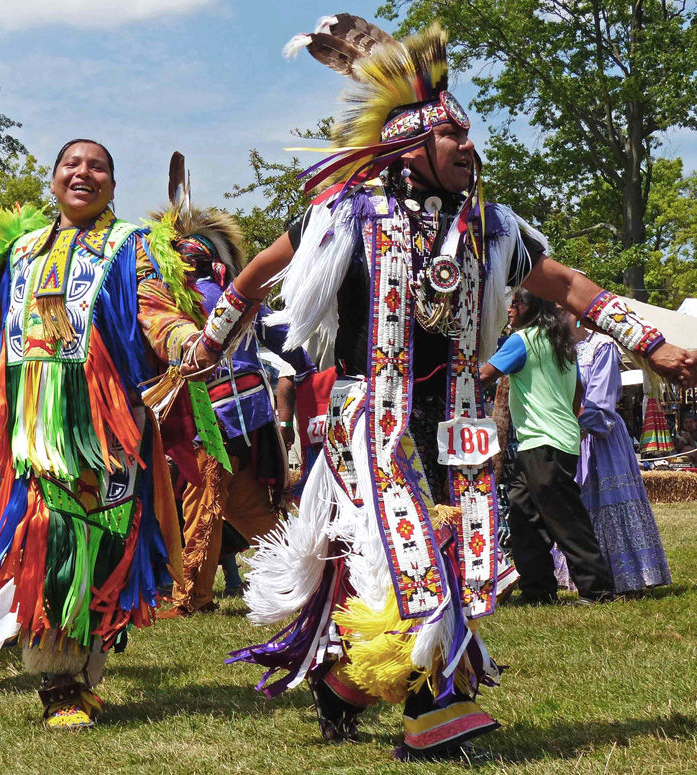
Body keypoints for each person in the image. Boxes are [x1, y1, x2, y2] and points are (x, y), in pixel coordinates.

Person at [183, 16, 697, 758]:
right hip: (370, 426)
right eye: (453, 137)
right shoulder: (346, 216)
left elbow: (571, 286)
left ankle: (345, 681)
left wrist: (650, 340)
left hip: (456, 427)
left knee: (455, 561)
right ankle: (438, 712)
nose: (470, 149)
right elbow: (260, 272)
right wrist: (209, 339)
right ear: (407, 146)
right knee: (411, 564)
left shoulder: (490, 228)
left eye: (468, 136)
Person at [0, 139, 203, 729]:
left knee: (101, 543)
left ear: (112, 184)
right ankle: (58, 683)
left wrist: (185, 339)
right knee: (47, 539)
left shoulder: (130, 244)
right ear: (54, 177)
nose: (84, 174)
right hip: (35, 432)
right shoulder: (19, 250)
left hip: (104, 429)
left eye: (99, 167)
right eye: (73, 165)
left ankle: (83, 672)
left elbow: (155, 306)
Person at [147, 156, 313, 618]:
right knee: (248, 509)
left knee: (203, 504)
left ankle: (192, 598)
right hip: (249, 421)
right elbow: (290, 338)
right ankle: (308, 574)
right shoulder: (237, 298)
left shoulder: (179, 301)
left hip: (212, 422)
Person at [481, 290, 614, 604]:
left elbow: (485, 375)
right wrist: (564, 415)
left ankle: (598, 590)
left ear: (528, 307)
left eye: (514, 304)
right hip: (551, 440)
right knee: (523, 517)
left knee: (565, 519)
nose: (509, 310)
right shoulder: (561, 341)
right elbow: (578, 389)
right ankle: (537, 591)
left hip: (544, 443)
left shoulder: (523, 340)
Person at [572, 326, 672, 592]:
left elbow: (601, 399)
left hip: (599, 437)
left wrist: (577, 427)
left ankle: (628, 572)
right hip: (570, 436)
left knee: (611, 498)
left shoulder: (601, 347)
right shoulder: (555, 347)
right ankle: (581, 573)